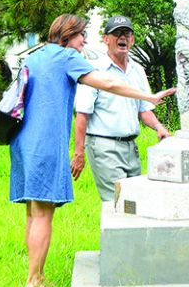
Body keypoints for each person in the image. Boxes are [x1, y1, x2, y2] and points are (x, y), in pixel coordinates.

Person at [9, 14, 174, 287]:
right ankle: (33, 282)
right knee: (42, 214)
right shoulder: (66, 57)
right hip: (46, 144)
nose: (84, 41)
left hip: (22, 142)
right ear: (67, 36)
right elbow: (107, 83)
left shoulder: (35, 56)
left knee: (32, 212)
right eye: (80, 36)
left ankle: (35, 275)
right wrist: (148, 97)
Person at [72, 15, 170, 201]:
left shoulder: (137, 71)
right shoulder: (94, 71)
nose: (122, 37)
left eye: (126, 33)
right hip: (104, 146)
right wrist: (79, 153)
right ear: (106, 39)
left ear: (132, 40)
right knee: (116, 202)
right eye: (116, 33)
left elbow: (144, 110)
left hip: (130, 147)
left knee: (134, 202)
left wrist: (159, 127)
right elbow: (82, 115)